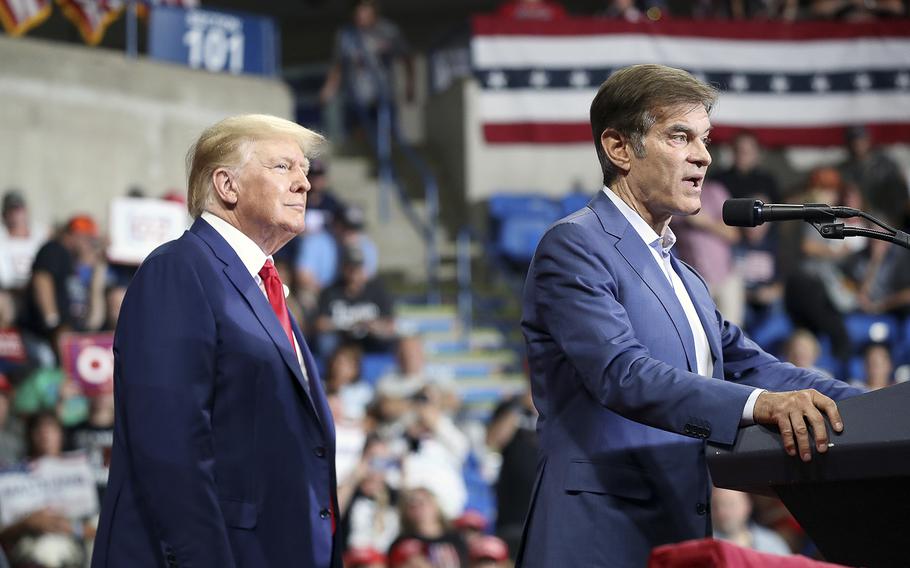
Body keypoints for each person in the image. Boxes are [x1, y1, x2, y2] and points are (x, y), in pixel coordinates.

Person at [517, 64, 861, 567]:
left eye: (704, 139)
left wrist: (879, 407)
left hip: (675, 529)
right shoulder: (575, 245)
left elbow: (755, 366)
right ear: (618, 148)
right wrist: (763, 404)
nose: (704, 156)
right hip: (596, 535)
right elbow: (622, 373)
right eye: (680, 137)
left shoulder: (685, 275)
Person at [92, 115, 341, 567]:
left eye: (304, 170)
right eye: (284, 168)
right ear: (227, 185)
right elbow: (170, 448)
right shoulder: (179, 270)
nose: (304, 184)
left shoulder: (264, 288)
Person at [711, 487, 791, 555]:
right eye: (715, 506)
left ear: (747, 505)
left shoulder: (772, 543)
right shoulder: (705, 546)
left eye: (730, 504)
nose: (722, 512)